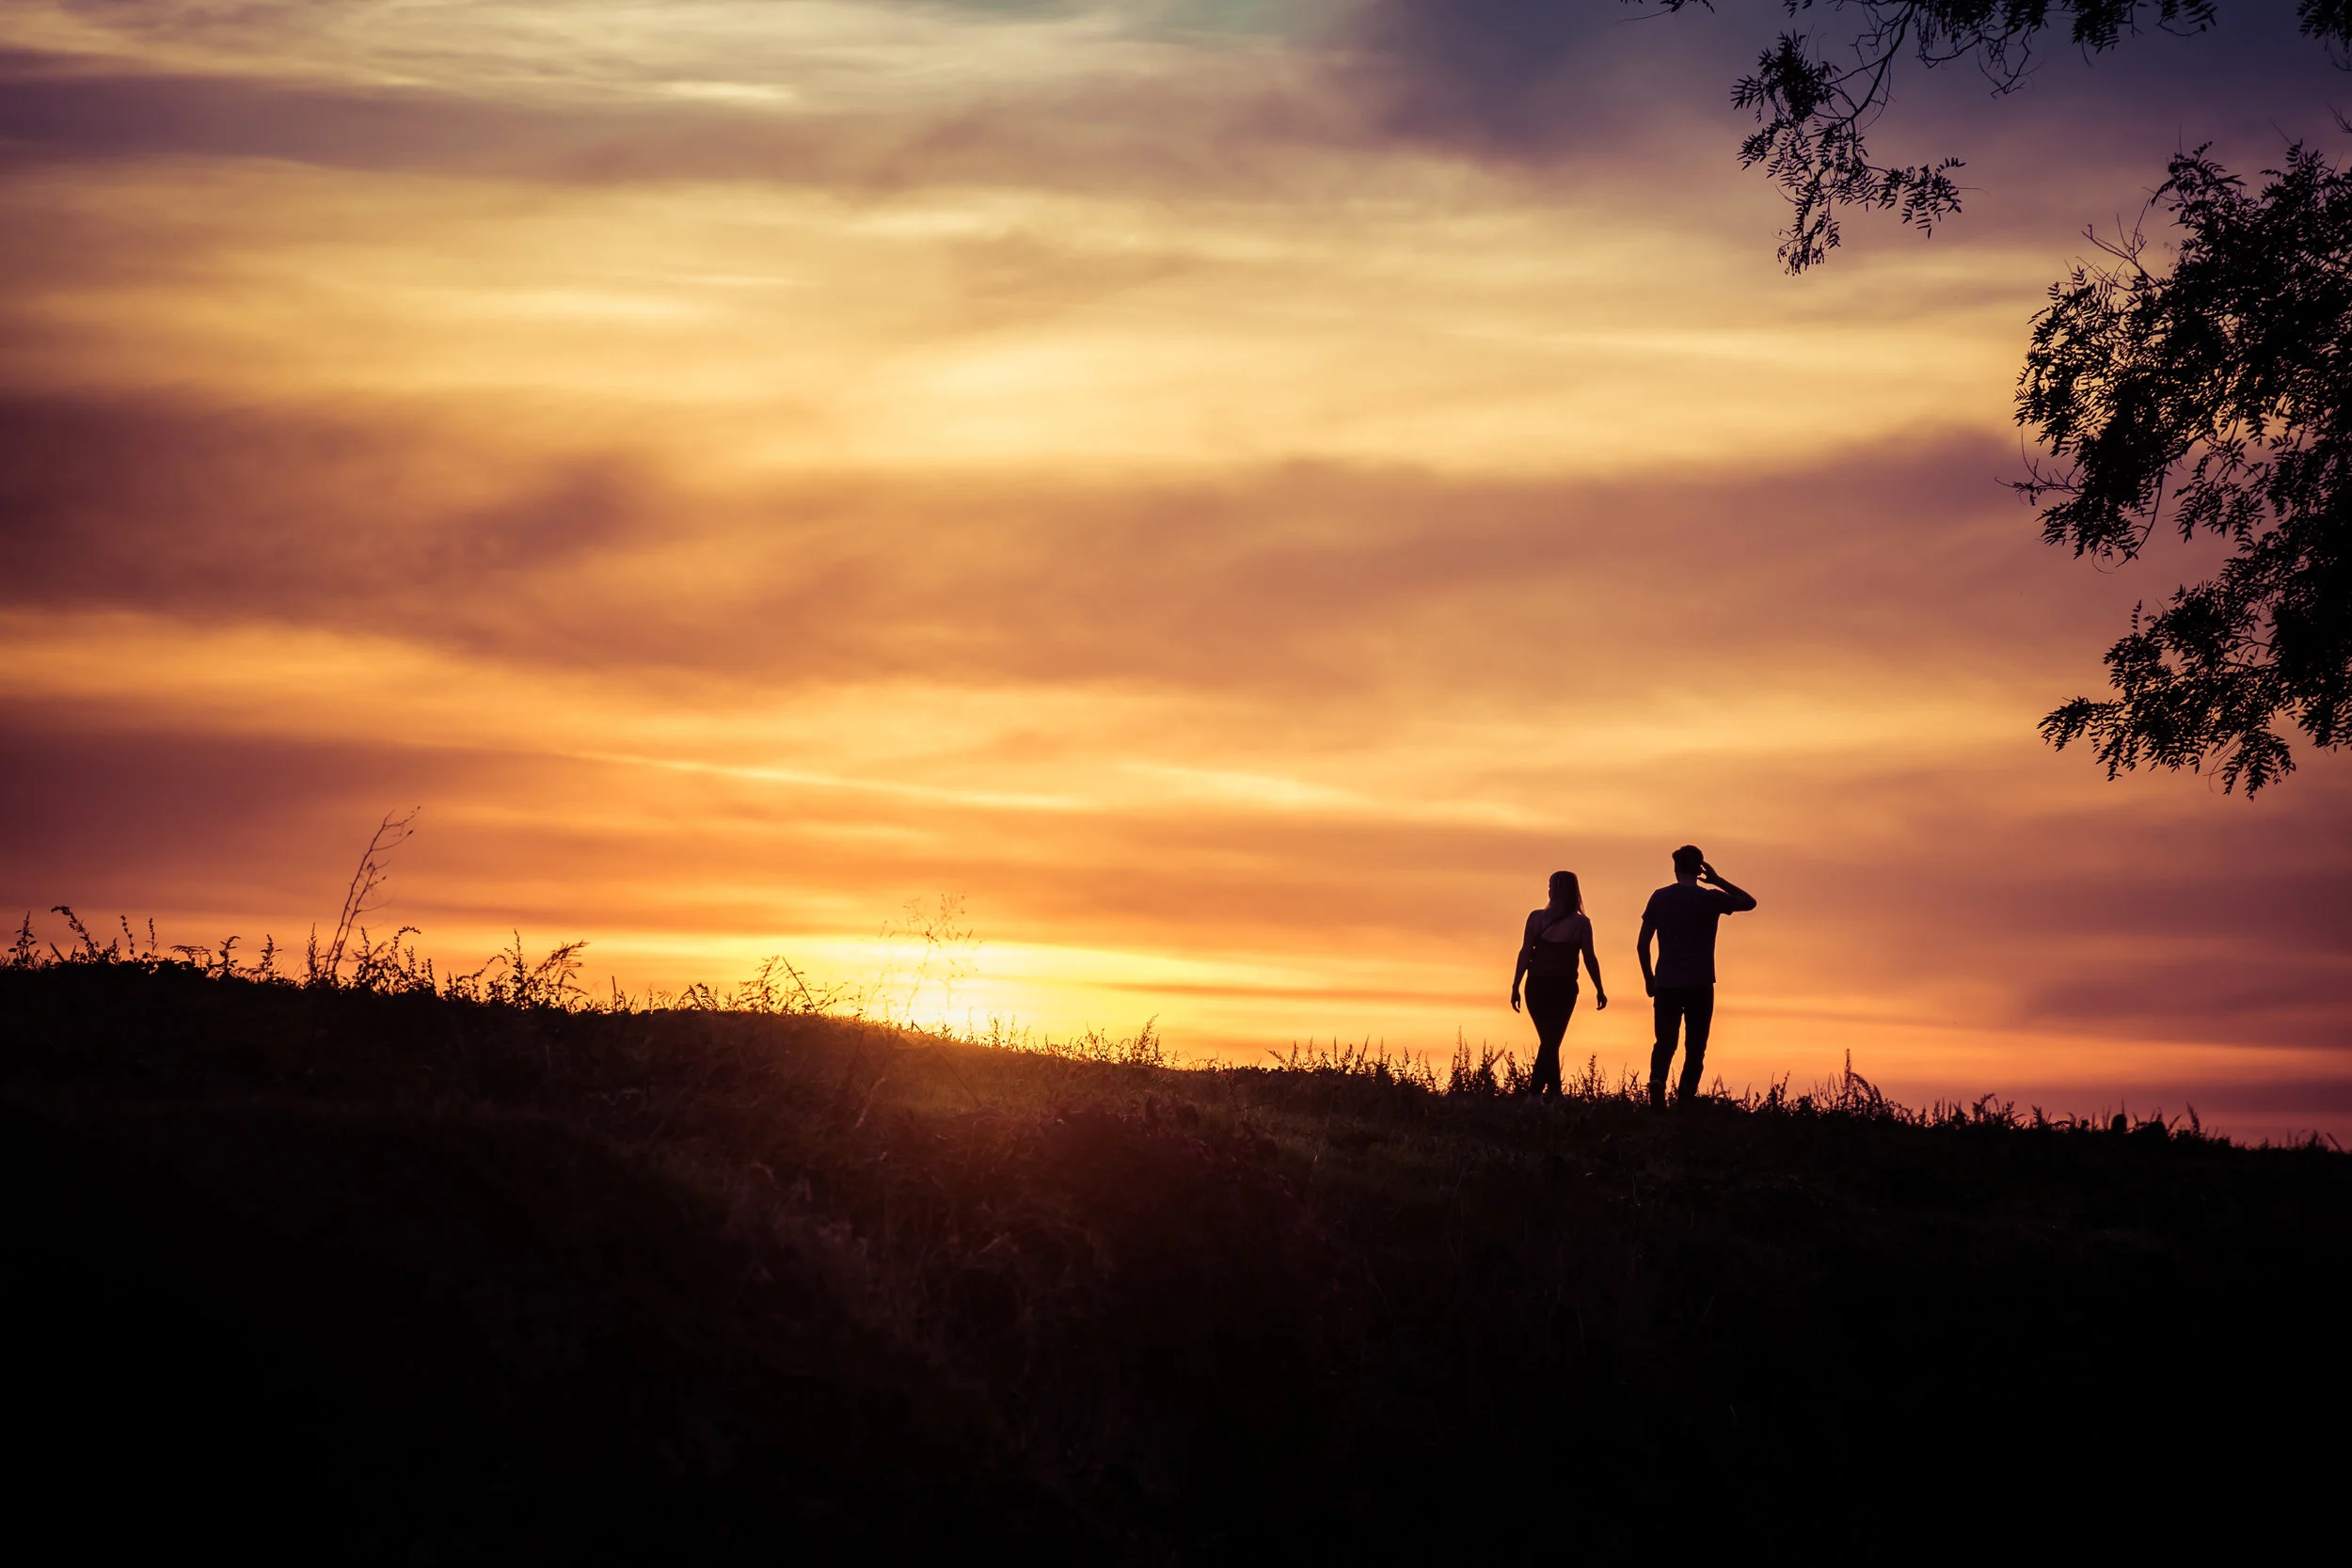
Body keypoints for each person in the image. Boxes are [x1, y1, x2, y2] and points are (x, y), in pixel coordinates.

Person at [1636, 846, 1756, 1108]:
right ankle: (1685, 1100)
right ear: (1700, 868)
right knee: (1695, 1047)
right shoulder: (1711, 898)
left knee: (1665, 1042)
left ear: (1675, 868)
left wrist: (1649, 978)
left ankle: (1657, 1081)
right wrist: (1717, 880)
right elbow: (1750, 902)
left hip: (1667, 982)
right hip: (1700, 983)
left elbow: (1642, 944)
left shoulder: (1659, 897)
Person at [1510, 871, 1607, 1097]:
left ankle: (1549, 1095)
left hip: (1537, 987)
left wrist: (1516, 985)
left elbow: (1525, 953)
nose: (1548, 890)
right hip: (1562, 988)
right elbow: (1589, 958)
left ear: (1555, 891)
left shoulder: (1537, 918)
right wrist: (1600, 988)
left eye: (1550, 886)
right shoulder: (1581, 924)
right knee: (1551, 1040)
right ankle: (1543, 1095)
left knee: (1550, 1040)